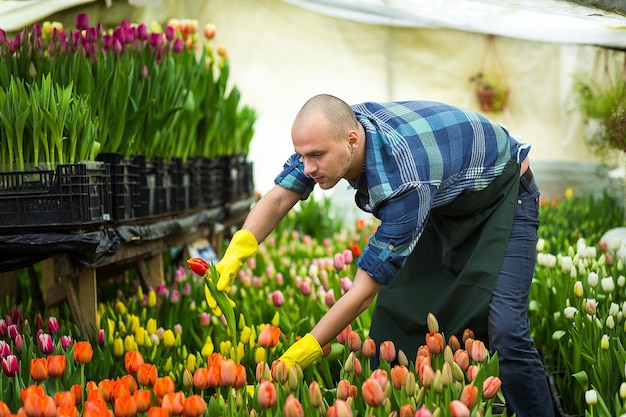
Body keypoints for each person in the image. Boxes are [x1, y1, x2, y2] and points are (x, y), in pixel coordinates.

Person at [208, 94, 554, 416]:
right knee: (397, 316)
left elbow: (362, 294)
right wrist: (235, 252)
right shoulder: (335, 134)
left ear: (352, 141)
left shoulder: (404, 182)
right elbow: (282, 197)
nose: (307, 167)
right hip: (446, 197)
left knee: (506, 329)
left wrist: (305, 350)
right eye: (302, 156)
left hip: (505, 195)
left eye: (315, 157)